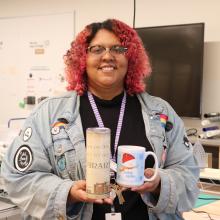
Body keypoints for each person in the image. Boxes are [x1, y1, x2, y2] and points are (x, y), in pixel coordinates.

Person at [1, 19, 200, 220]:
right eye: (96, 49)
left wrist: (159, 184)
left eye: (118, 49)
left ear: (130, 57)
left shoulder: (161, 113)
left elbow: (189, 175)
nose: (107, 56)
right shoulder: (49, 113)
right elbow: (17, 178)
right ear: (82, 58)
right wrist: (67, 192)